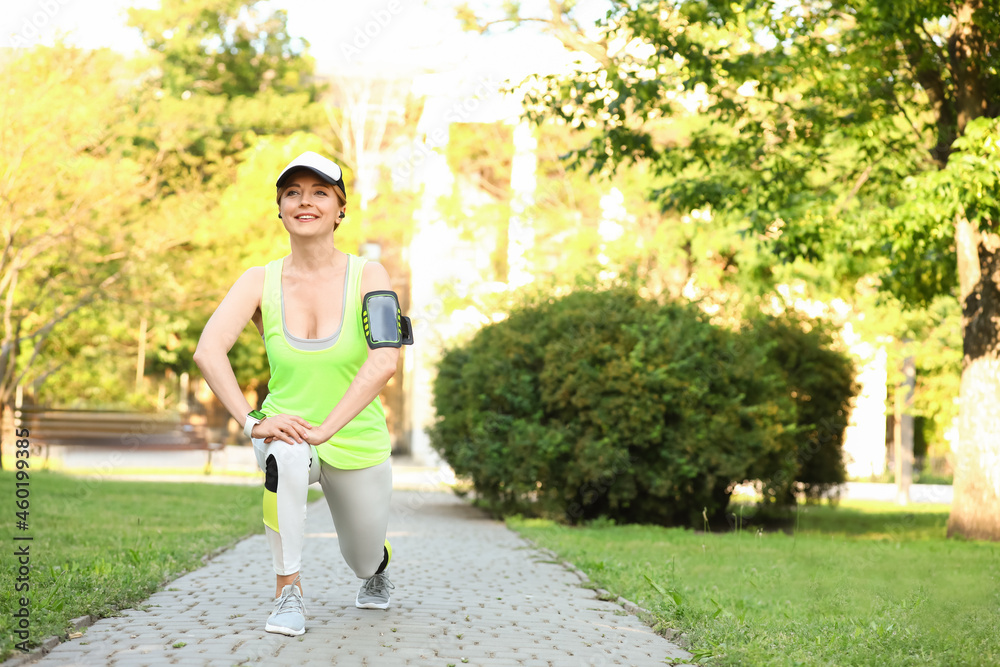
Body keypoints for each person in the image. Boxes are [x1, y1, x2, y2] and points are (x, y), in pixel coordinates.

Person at [193, 151, 412, 636]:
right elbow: (209, 351)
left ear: (340, 209)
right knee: (285, 457)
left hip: (355, 438)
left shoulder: (369, 276)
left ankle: (376, 569)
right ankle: (287, 592)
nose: (304, 201)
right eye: (292, 192)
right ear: (280, 208)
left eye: (319, 192)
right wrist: (253, 422)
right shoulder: (259, 280)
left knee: (361, 555)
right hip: (287, 429)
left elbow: (386, 360)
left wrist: (327, 429)